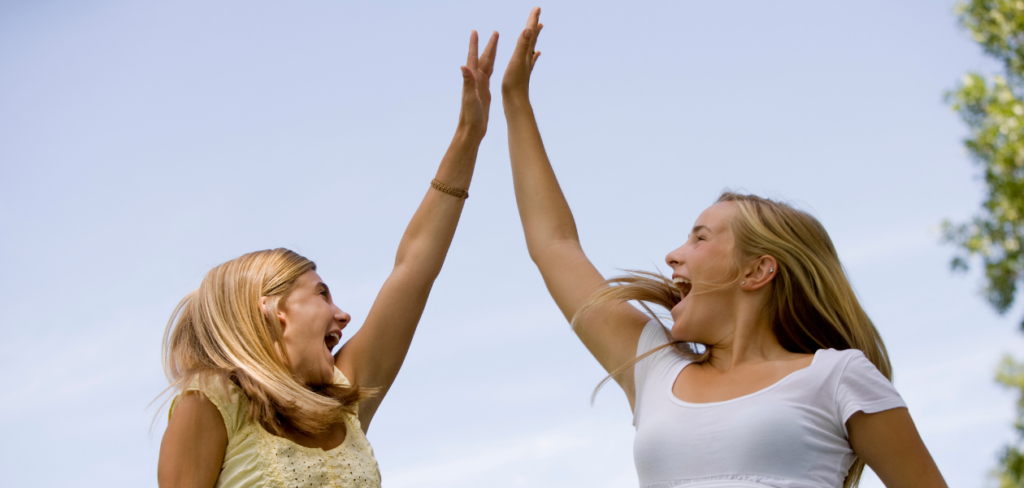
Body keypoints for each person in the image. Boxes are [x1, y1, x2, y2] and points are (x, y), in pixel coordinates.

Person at [501, 8, 947, 488]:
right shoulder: (656, 370)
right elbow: (554, 245)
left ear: (758, 271)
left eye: (699, 237)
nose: (673, 255)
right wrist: (516, 104)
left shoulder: (838, 377)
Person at [157, 29, 499, 488]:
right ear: (274, 308)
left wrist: (468, 137)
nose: (343, 314)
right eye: (322, 294)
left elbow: (414, 269)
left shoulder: (345, 396)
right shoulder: (213, 401)